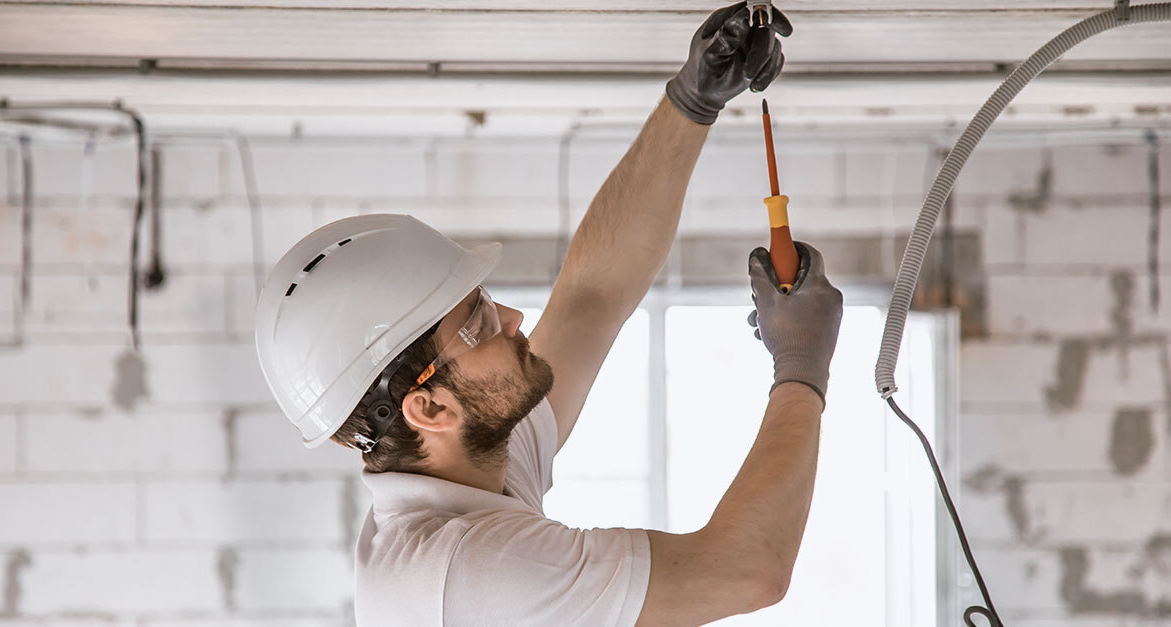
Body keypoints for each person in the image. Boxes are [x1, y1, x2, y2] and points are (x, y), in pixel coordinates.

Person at [254, 2, 843, 625]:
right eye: (476, 324)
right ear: (428, 407)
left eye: (484, 301)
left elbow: (592, 297)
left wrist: (692, 102)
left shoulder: (463, 468)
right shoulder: (467, 571)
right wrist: (803, 367)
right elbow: (743, 570)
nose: (511, 317)